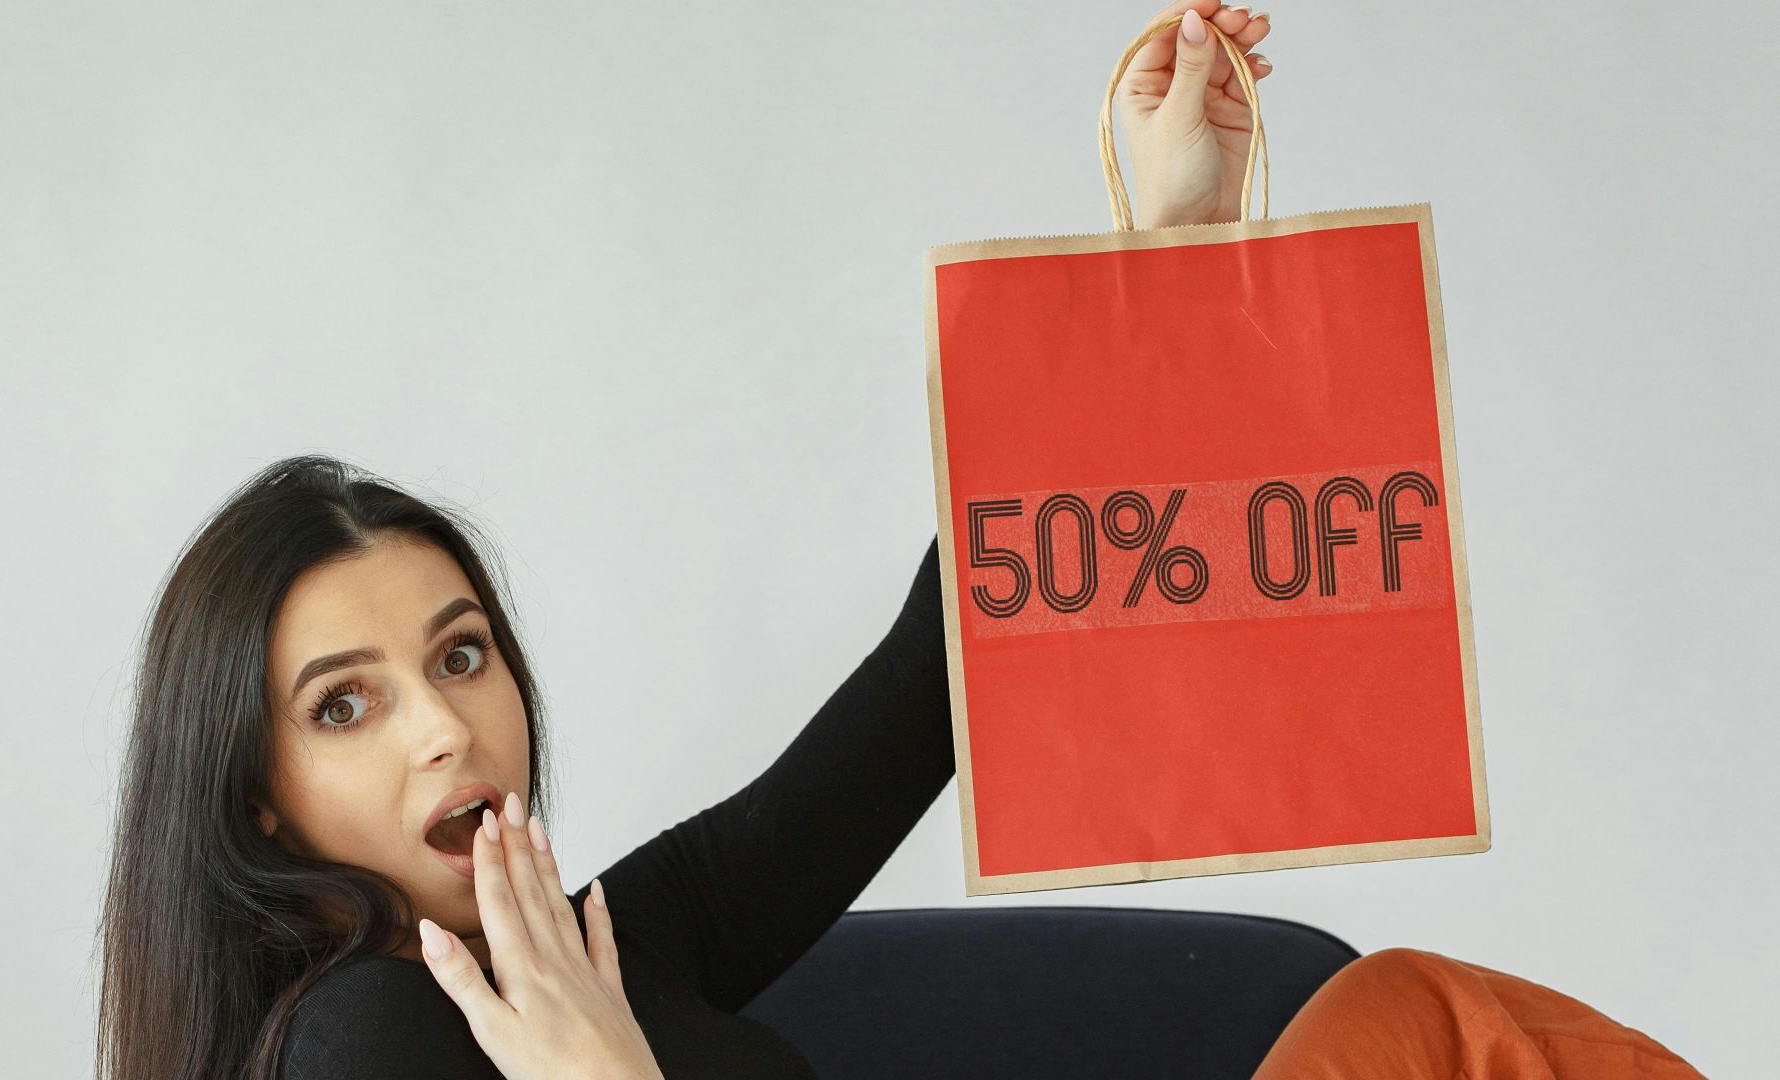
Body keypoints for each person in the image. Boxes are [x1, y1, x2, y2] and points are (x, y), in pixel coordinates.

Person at [94, 4, 1705, 1078]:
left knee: (1427, 1027)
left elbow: (940, 677)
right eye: (346, 703)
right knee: (1434, 1034)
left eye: (461, 654)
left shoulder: (593, 946)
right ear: (255, 792)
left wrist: (1158, 265)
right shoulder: (362, 1035)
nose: (450, 723)